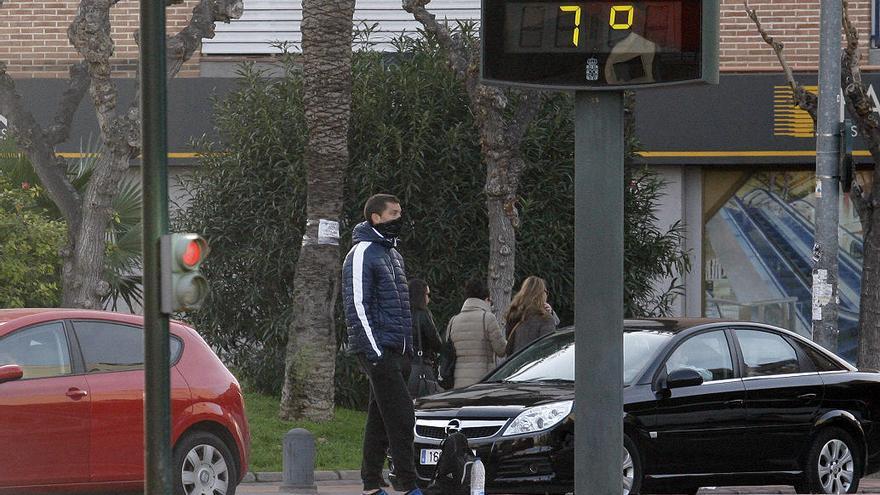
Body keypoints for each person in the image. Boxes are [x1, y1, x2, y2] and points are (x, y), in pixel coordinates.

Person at [342, 193, 421, 495]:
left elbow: (401, 307)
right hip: (378, 351)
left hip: (398, 352)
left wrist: (407, 351)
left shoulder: (393, 255)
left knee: (379, 419)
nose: (400, 218)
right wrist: (374, 352)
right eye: (394, 213)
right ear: (376, 217)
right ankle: (408, 484)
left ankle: (371, 484)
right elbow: (357, 306)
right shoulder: (362, 252)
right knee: (402, 416)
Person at [446, 278, 506, 388]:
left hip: (458, 382)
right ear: (486, 299)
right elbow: (501, 350)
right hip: (483, 381)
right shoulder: (487, 318)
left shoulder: (453, 320)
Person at [504, 276, 559, 356]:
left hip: (515, 364)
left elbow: (509, 343)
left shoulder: (513, 314)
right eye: (546, 292)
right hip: (535, 365)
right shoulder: (545, 318)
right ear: (541, 294)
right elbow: (548, 350)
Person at [408, 278, 442, 367]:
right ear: (420, 295)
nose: (429, 298)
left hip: (403, 365)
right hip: (420, 364)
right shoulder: (422, 315)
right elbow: (435, 341)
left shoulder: (402, 314)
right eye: (427, 294)